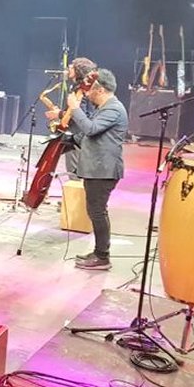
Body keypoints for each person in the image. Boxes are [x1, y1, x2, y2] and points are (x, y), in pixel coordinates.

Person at [67, 69, 127, 271]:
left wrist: (75, 109)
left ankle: (102, 256)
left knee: (97, 212)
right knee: (95, 211)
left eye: (90, 90)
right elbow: (88, 136)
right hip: (97, 169)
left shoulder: (114, 109)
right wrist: (65, 136)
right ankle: (99, 252)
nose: (86, 94)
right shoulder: (104, 108)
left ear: (99, 89)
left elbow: (91, 129)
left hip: (104, 170)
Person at [47, 57, 97, 181]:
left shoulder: (81, 90)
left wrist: (59, 114)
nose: (69, 67)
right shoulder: (77, 87)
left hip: (77, 134)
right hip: (75, 132)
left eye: (72, 66)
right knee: (73, 168)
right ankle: (73, 196)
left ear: (78, 71)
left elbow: (81, 113)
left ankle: (75, 198)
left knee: (74, 169)